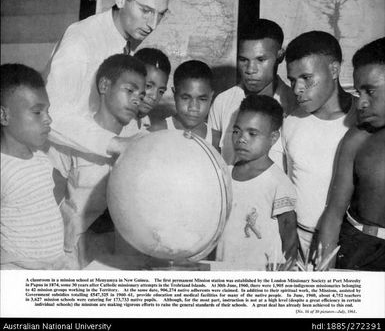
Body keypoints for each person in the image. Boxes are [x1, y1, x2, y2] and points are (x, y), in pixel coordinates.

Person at [45, 0, 171, 157]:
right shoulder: (81, 40)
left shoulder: (126, 40)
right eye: (145, 11)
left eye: (160, 14)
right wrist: (116, 144)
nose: (152, 24)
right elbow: (52, 116)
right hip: (62, 163)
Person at [48, 54, 146, 268]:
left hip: (124, 250)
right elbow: (52, 196)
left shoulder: (141, 141)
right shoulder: (72, 135)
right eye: (129, 90)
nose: (137, 99)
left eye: (141, 94)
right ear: (104, 85)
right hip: (75, 253)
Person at [282, 31, 356, 260]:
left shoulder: (363, 121)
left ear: (334, 70)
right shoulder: (291, 123)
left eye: (306, 78)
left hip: (348, 243)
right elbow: (286, 188)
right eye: (292, 81)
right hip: (298, 242)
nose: (297, 89)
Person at [318, 37, 385, 271]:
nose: (360, 103)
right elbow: (333, 215)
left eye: (370, 91)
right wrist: (322, 276)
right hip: (359, 250)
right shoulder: (357, 139)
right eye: (358, 92)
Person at [216, 94, 298, 270]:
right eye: (236, 131)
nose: (241, 139)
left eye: (252, 133)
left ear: (273, 137)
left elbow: (289, 238)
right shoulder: (225, 174)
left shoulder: (278, 183)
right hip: (224, 267)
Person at [0, 64, 66, 270]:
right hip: (18, 269)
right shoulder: (3, 168)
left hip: (55, 265)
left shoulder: (41, 158)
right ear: (3, 116)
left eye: (47, 111)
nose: (49, 119)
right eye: (37, 112)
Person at [208, 18, 296, 166]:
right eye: (243, 60)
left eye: (260, 60)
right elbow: (212, 163)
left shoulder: (294, 106)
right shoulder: (222, 102)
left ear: (280, 56)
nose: (250, 70)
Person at [150, 60, 221, 150]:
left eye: (202, 99)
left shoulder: (217, 141)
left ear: (211, 97)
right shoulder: (155, 133)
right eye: (186, 98)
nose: (194, 107)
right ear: (174, 94)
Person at [133, 47, 171, 131]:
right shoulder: (116, 124)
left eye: (161, 91)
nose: (154, 97)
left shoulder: (145, 122)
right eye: (148, 86)